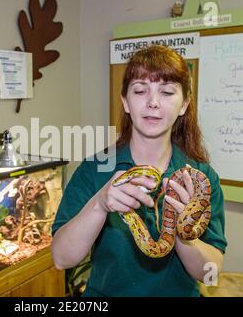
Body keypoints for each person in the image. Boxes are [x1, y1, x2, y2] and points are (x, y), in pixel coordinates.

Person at [51, 45, 227, 297]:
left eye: (167, 92)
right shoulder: (94, 170)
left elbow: (210, 273)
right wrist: (100, 204)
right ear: (125, 101)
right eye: (140, 90)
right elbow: (61, 259)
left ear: (184, 105)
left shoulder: (200, 177)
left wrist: (180, 228)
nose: (153, 102)